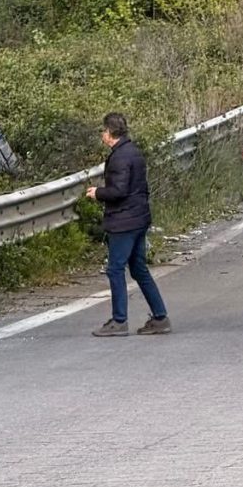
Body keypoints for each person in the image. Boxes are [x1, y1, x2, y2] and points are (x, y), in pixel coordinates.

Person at [85, 113, 171, 337]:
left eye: (104, 131)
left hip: (124, 221)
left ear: (110, 133)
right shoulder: (134, 152)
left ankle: (119, 320)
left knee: (115, 269)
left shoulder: (119, 158)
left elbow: (119, 190)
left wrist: (98, 193)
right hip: (139, 217)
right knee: (139, 269)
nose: (102, 135)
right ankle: (160, 317)